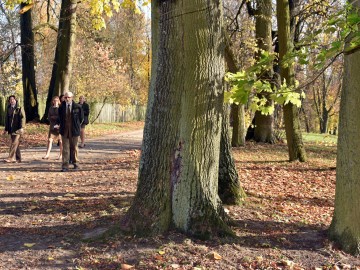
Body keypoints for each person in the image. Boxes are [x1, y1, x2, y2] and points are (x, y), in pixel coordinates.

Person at [57, 91, 84, 172]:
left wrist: (77, 125)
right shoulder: (61, 107)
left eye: (68, 97)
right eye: (65, 97)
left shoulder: (77, 107)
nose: (67, 99)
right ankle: (65, 166)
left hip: (74, 130)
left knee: (74, 147)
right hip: (64, 130)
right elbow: (59, 117)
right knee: (65, 148)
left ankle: (76, 164)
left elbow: (81, 118)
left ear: (72, 98)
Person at [3, 95, 26, 163]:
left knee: (14, 143)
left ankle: (10, 158)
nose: (11, 101)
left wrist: (22, 127)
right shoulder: (8, 108)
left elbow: (23, 118)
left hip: (18, 129)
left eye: (13, 99)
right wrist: (6, 129)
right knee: (16, 144)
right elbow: (7, 119)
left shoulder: (19, 108)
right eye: (10, 100)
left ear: (15, 100)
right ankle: (18, 159)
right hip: (11, 129)